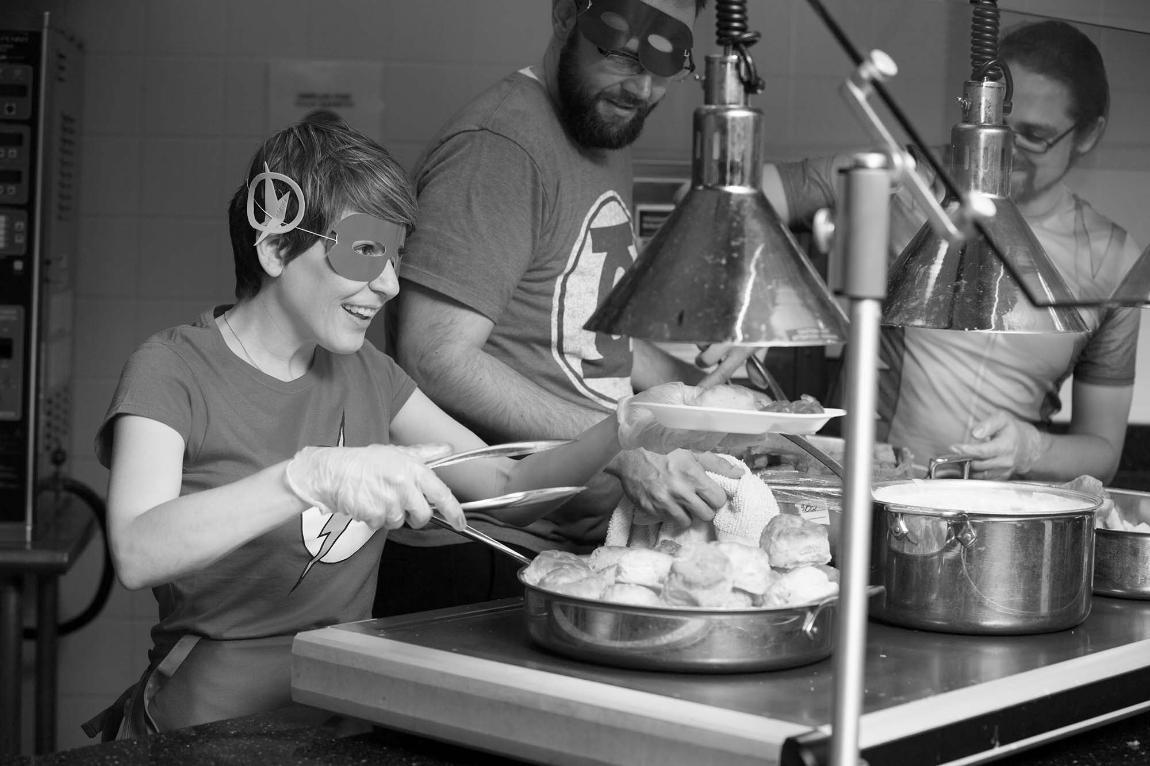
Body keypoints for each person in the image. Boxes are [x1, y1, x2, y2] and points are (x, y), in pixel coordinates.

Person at [82, 116, 744, 738]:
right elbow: (139, 549)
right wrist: (307, 477)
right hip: (203, 730)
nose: (393, 284)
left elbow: (509, 478)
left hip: (336, 713)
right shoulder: (171, 369)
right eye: (366, 251)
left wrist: (626, 425)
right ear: (278, 248)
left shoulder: (366, 371)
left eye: (395, 254)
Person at [376, 0, 737, 616]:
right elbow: (434, 354)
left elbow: (593, 337)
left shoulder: (600, 127)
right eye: (622, 55)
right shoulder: (500, 148)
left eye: (664, 69)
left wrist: (711, 399)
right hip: (485, 555)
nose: (641, 89)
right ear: (566, 15)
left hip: (581, 550)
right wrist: (622, 449)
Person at [756, 19, 1141, 483]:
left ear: (1088, 134)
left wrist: (1031, 448)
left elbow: (1102, 449)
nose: (1007, 149)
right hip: (867, 487)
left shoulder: (1113, 259)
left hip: (995, 514)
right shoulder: (908, 179)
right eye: (998, 125)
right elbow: (738, 199)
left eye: (1036, 136)